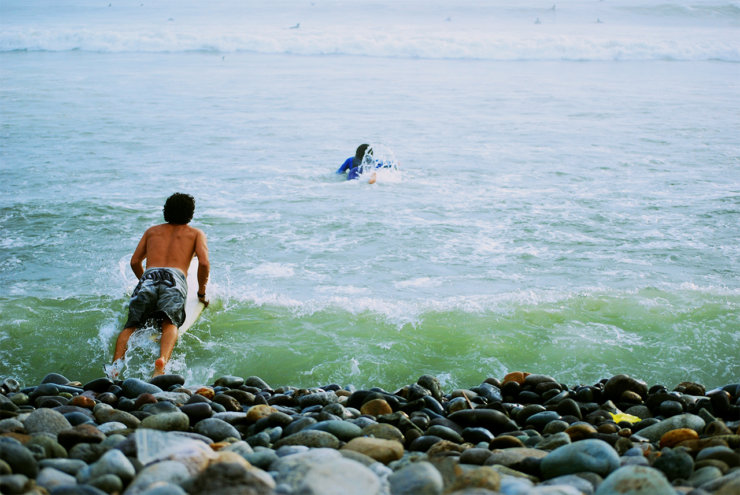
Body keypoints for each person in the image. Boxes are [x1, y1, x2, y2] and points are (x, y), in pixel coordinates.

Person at [109, 192, 210, 377]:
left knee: (131, 325)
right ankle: (161, 364)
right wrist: (201, 293)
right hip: (174, 279)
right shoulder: (196, 233)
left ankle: (115, 366)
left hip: (149, 276)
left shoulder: (152, 231)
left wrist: (145, 282)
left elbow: (134, 262)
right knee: (169, 323)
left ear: (166, 210)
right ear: (190, 213)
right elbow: (203, 263)